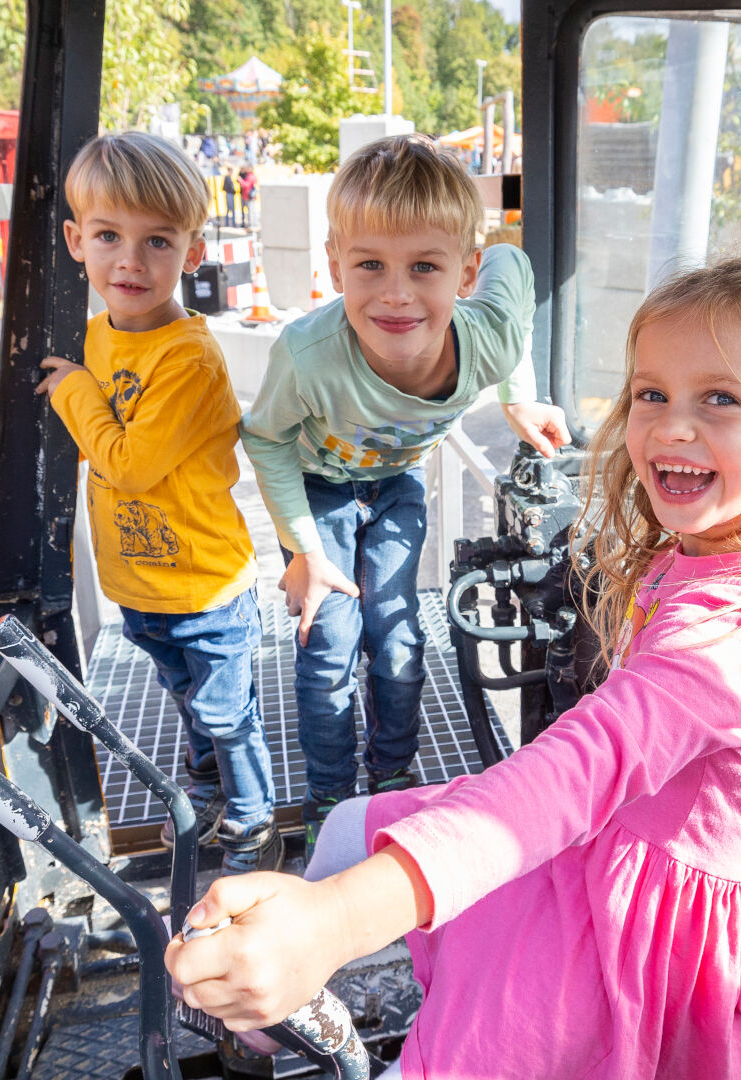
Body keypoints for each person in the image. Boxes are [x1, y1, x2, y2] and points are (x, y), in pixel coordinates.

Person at [171, 255, 741, 1079]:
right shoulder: (703, 557)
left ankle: (313, 972)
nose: (671, 426)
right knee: (345, 828)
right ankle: (270, 992)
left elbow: (584, 767)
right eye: (652, 393)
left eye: (719, 398)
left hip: (640, 931)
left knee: (455, 1057)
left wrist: (334, 921)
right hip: (610, 844)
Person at [238, 135, 571, 844]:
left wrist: (520, 398)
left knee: (396, 639)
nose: (395, 294)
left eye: (425, 266)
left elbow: (514, 262)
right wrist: (302, 552)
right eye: (370, 266)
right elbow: (265, 438)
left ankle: (392, 775)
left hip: (394, 483)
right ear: (335, 266)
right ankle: (329, 795)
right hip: (318, 487)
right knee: (327, 641)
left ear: (464, 273)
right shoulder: (307, 356)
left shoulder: (488, 338)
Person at [0, 132, 281, 872]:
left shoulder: (187, 360)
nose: (130, 262)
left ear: (193, 253)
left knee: (226, 712)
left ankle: (254, 821)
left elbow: (130, 462)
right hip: (139, 583)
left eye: (158, 241)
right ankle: (206, 791)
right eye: (108, 236)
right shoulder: (97, 340)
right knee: (183, 696)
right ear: (77, 240)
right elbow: (90, 430)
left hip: (204, 582)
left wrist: (72, 390)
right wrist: (12, 447)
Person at [237, 165, 257, 229]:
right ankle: (251, 224)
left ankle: (251, 225)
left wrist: (240, 180)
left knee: (250, 211)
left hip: (248, 196)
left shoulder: (250, 176)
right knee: (250, 211)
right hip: (246, 196)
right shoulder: (249, 175)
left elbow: (247, 185)